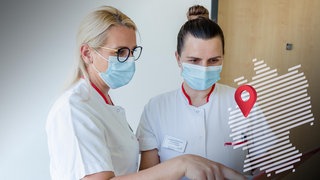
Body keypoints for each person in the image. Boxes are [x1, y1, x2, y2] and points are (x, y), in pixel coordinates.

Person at [46, 6, 245, 180]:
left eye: (132, 52)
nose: (129, 60)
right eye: (120, 52)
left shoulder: (104, 104)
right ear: (88, 53)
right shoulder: (75, 109)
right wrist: (182, 164)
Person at [136, 6, 251, 179]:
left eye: (213, 60)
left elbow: (267, 166)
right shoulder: (156, 108)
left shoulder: (242, 102)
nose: (204, 69)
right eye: (194, 60)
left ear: (223, 58)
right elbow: (146, 176)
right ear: (178, 59)